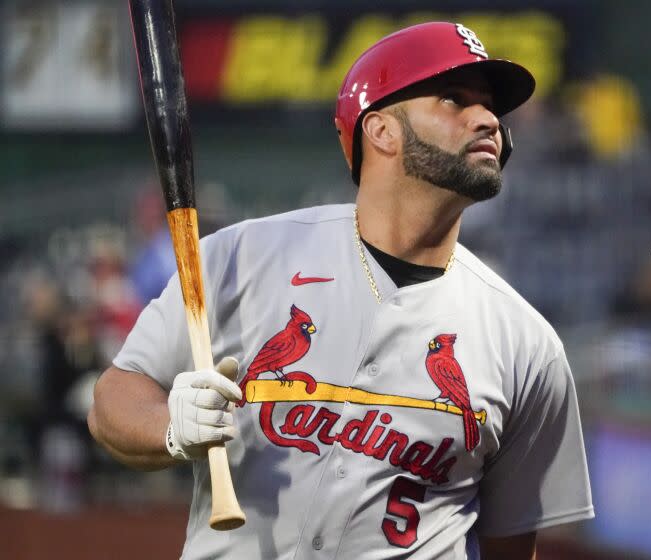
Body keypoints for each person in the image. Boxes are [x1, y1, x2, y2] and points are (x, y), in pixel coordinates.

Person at [88, 22, 593, 559]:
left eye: (490, 106)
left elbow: (512, 545)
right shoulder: (243, 258)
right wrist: (172, 428)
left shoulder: (527, 344)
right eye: (454, 100)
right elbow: (113, 400)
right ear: (381, 131)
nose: (488, 119)